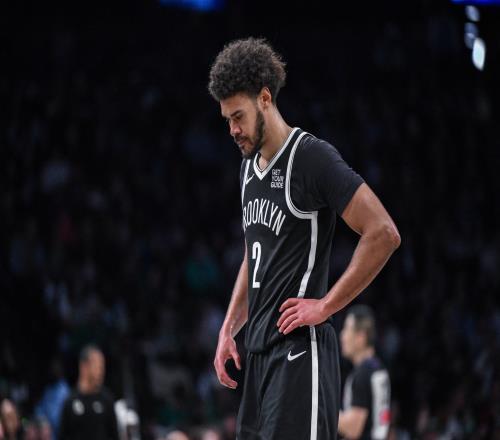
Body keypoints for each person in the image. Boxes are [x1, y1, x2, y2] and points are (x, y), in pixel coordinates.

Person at [208, 37, 401, 440]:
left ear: (265, 99)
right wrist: (229, 327)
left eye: (238, 116)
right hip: (259, 358)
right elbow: (254, 254)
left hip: (299, 352)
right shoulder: (247, 169)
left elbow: (383, 232)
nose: (233, 130)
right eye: (227, 120)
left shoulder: (311, 158)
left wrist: (326, 305)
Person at [339, 305, 391, 440]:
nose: (342, 336)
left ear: (360, 337)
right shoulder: (379, 368)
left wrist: (324, 411)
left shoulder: (362, 374)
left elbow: (353, 428)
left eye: (347, 329)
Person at [59, 345, 119, 440]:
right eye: (97, 366)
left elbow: (114, 436)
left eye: (102, 367)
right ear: (84, 366)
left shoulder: (107, 399)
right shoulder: (70, 401)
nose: (101, 372)